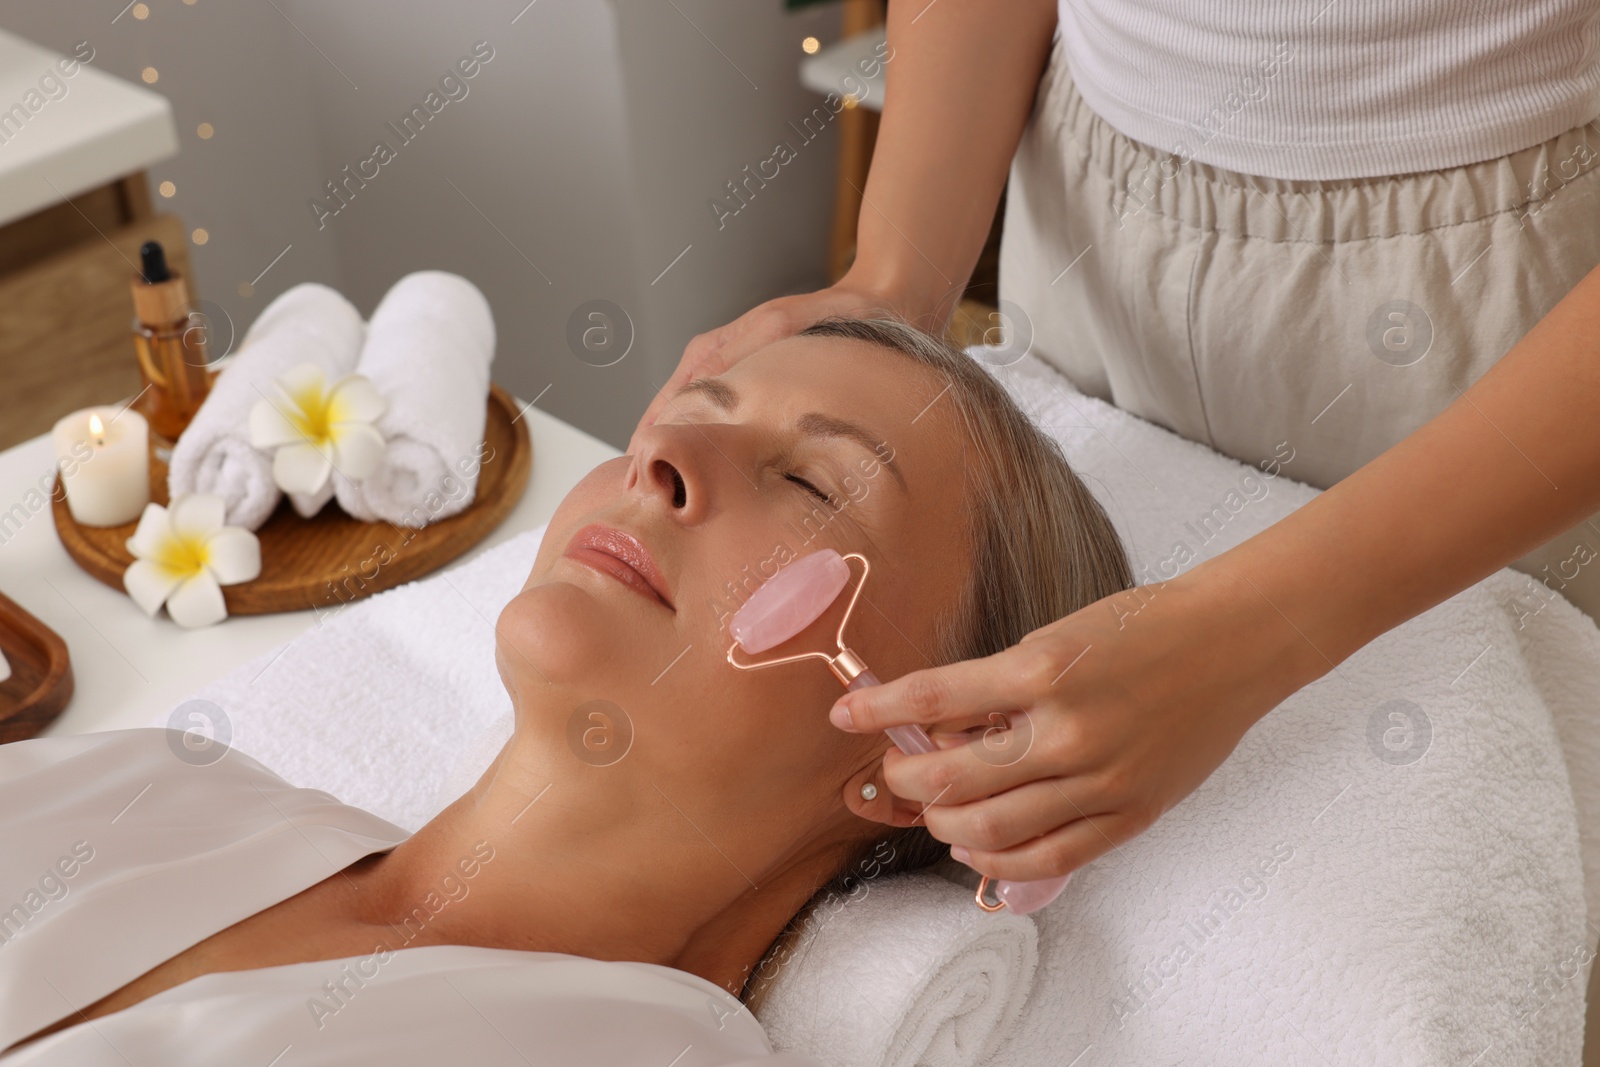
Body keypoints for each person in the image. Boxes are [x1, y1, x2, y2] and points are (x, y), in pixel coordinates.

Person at [634, 0, 1600, 890]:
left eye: (813, 482)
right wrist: (895, 274)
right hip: (1091, 213)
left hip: (1500, 297)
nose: (659, 454)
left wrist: (1249, 636)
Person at [0, 319, 1130, 1061]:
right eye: (686, 408)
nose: (664, 449)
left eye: (806, 481)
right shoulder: (154, 781)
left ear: (921, 753)